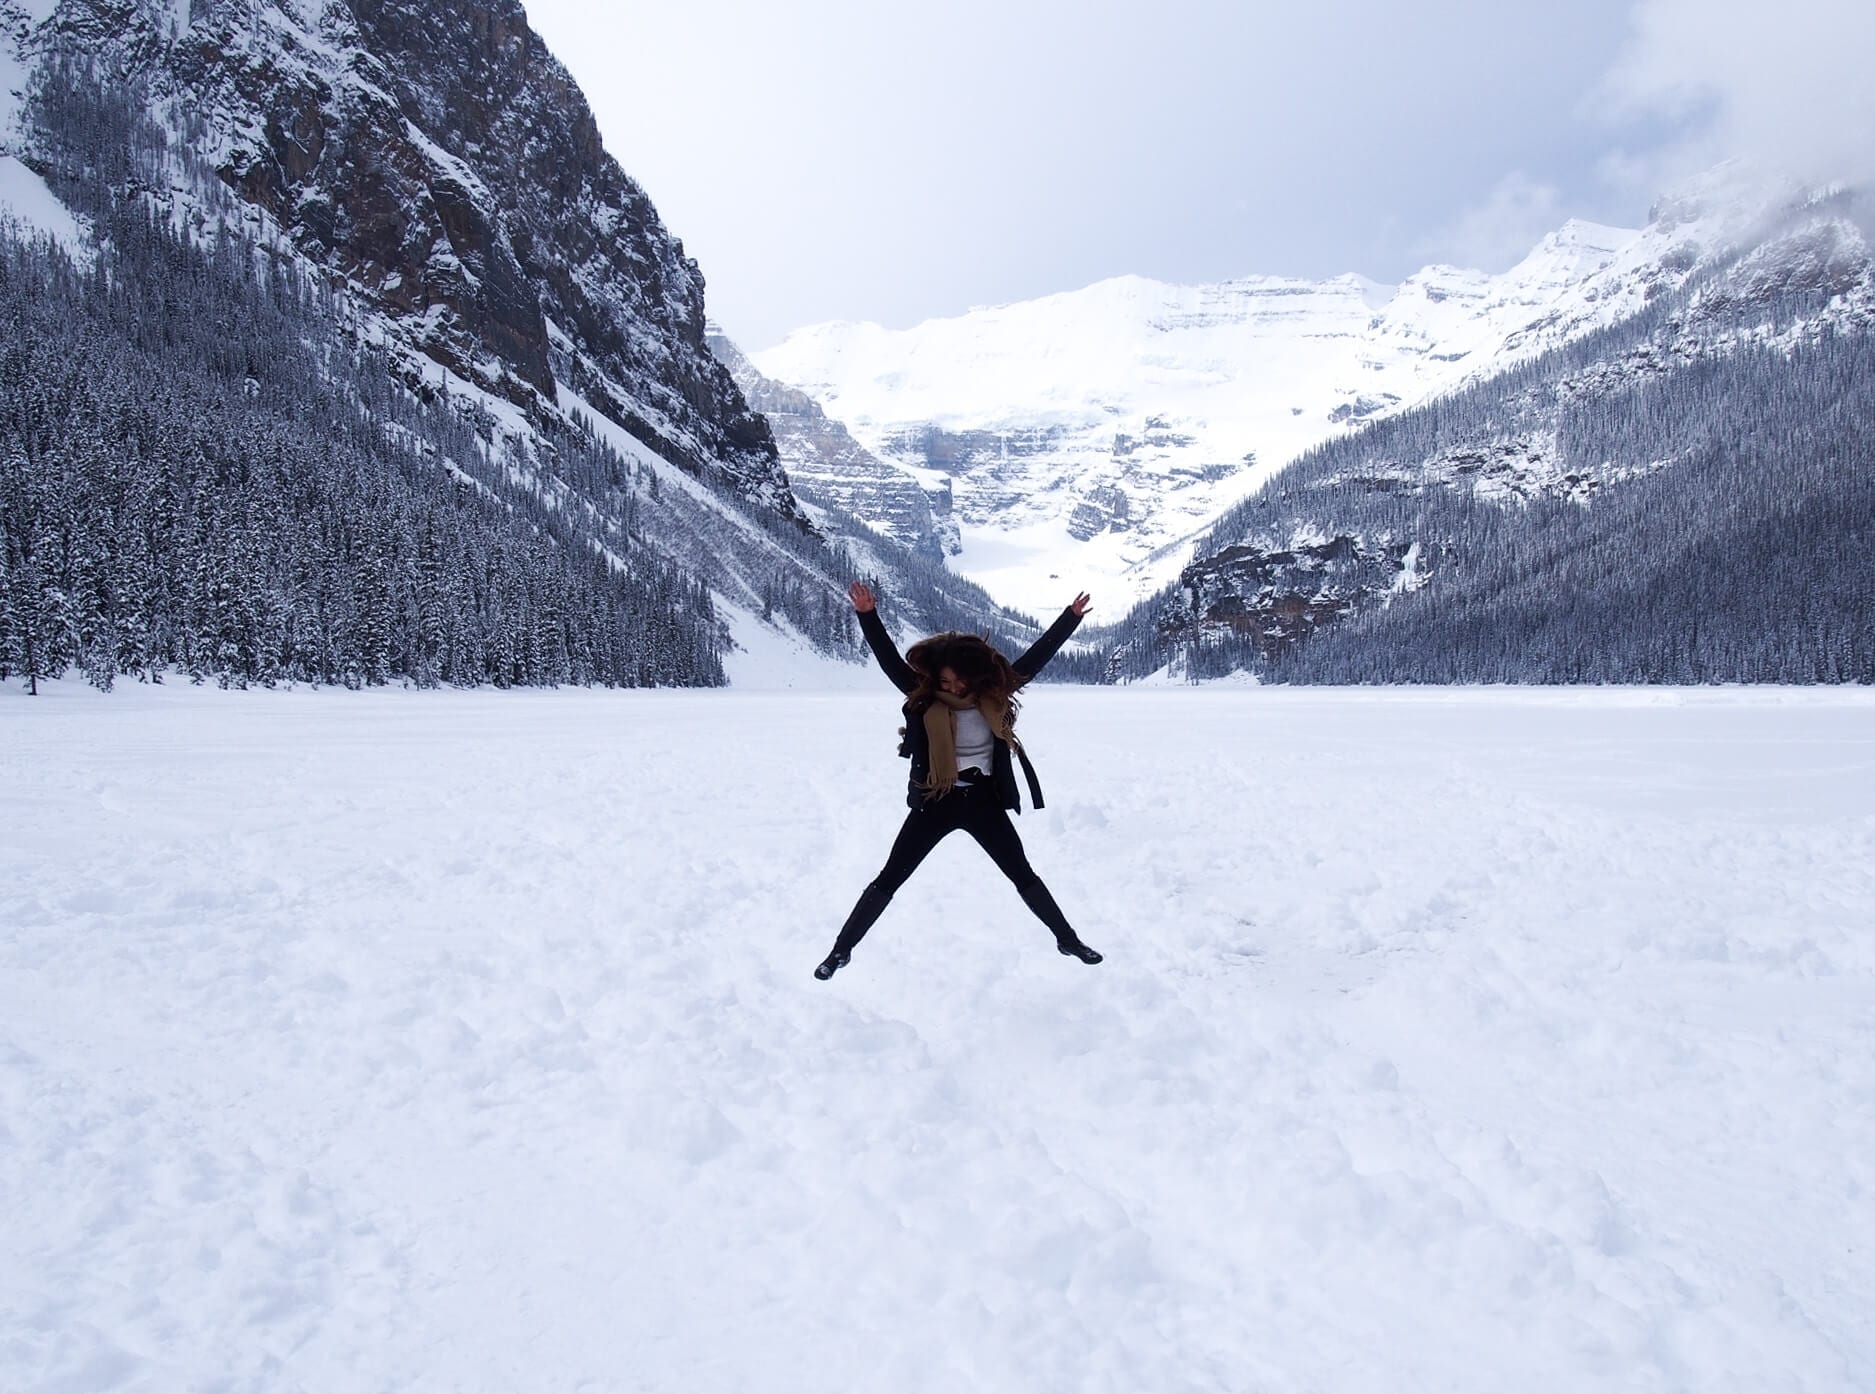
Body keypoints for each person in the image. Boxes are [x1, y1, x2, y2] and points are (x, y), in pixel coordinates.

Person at [813, 581, 1104, 980]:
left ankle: (1067, 938)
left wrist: (1068, 619)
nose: (952, 688)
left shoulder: (995, 693)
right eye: (945, 682)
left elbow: (1034, 660)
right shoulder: (925, 696)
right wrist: (867, 615)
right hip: (938, 799)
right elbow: (888, 661)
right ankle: (840, 951)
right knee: (889, 877)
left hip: (983, 801)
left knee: (1022, 873)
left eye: (958, 682)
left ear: (974, 675)